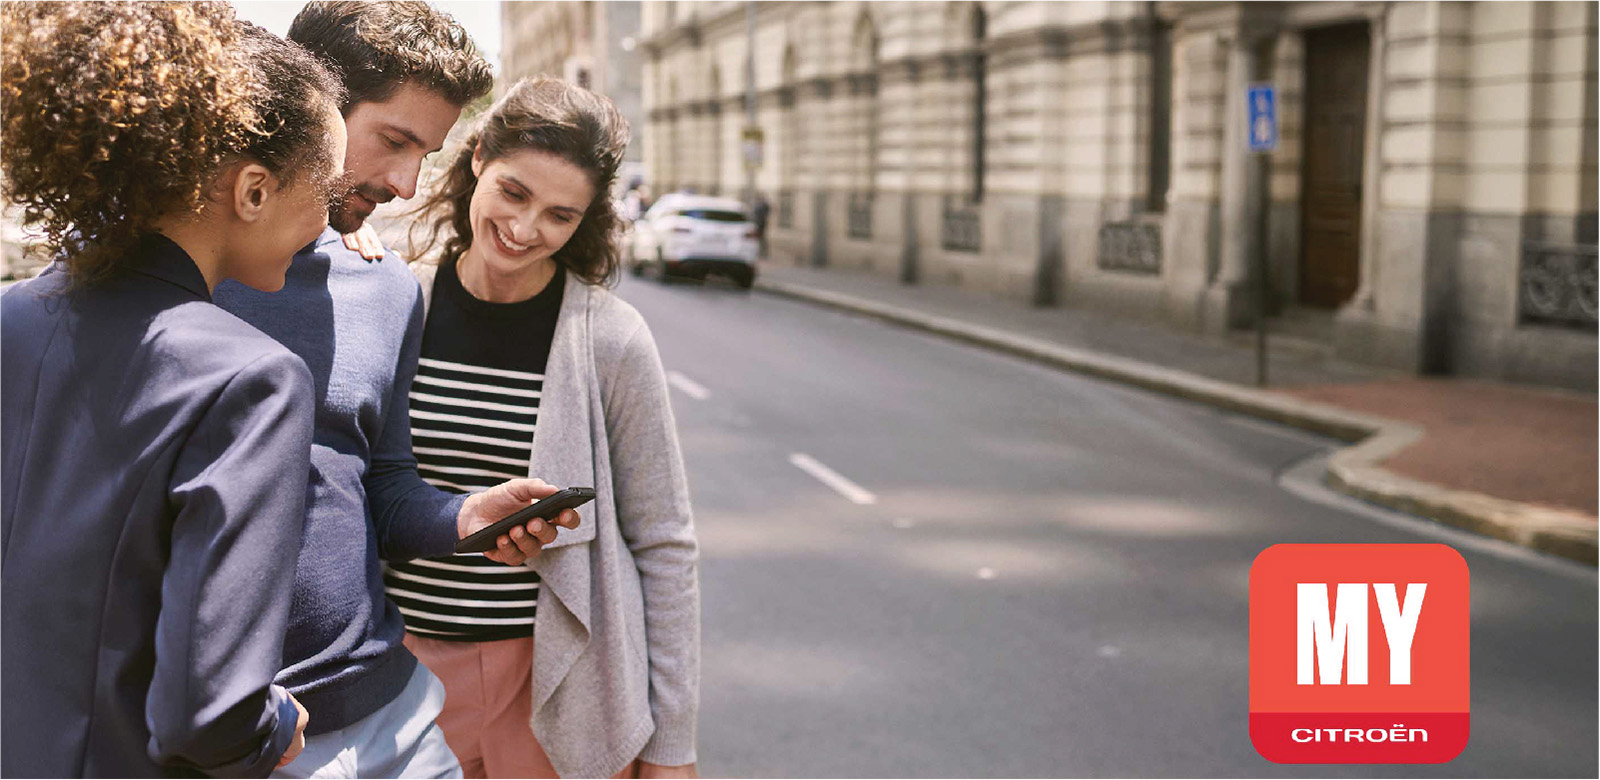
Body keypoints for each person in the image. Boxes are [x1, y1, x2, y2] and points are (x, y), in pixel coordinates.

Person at [210, 3, 581, 777]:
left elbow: (379, 483)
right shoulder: (173, 272)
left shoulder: (386, 290)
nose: (407, 183)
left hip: (392, 714)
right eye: (395, 142)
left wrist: (465, 516)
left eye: (429, 152)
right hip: (238, 732)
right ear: (308, 99)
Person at [0, 4, 345, 775]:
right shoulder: (253, 381)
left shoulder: (10, 317)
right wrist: (273, 723)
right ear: (254, 190)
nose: (329, 219)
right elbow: (209, 712)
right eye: (327, 182)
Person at [399, 76, 701, 780]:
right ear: (478, 160)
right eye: (513, 193)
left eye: (560, 215)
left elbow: (664, 543)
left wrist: (672, 744)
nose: (527, 228)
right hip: (399, 673)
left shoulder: (610, 339)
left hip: (556, 680)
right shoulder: (395, 301)